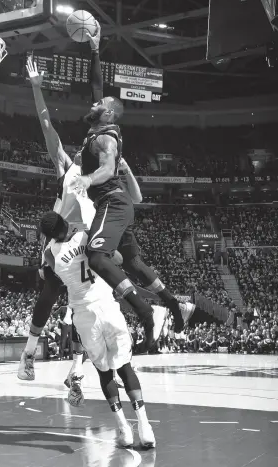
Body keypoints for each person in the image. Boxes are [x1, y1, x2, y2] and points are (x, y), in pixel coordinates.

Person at [18, 51, 168, 381]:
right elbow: (46, 124)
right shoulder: (67, 167)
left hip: (86, 236)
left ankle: (79, 367)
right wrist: (36, 88)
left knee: (95, 297)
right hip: (60, 240)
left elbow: (119, 181)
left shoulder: (99, 164)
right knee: (53, 288)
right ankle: (28, 353)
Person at [69, 22, 194, 333]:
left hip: (112, 200)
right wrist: (95, 50)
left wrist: (86, 180)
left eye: (100, 105)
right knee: (133, 263)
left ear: (108, 114)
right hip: (115, 203)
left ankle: (145, 310)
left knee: (97, 256)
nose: (94, 103)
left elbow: (108, 170)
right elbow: (95, 86)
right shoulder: (97, 128)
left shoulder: (106, 138)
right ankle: (176, 306)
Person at [35, 209, 156, 449]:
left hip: (83, 315)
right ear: (65, 223)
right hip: (108, 307)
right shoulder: (88, 235)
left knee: (105, 373)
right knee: (125, 368)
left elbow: (52, 278)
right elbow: (119, 260)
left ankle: (123, 429)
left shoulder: (49, 253)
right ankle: (145, 427)